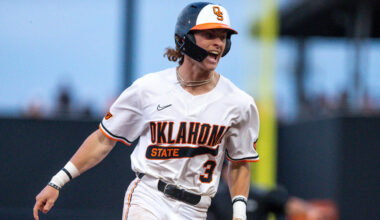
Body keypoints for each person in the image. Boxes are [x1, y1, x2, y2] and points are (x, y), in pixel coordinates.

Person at [33, 2, 260, 220]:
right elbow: (103, 139)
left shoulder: (239, 102)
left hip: (197, 209)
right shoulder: (149, 88)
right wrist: (57, 181)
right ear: (185, 38)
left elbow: (240, 163)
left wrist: (239, 214)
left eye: (223, 37)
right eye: (209, 35)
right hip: (150, 196)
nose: (218, 43)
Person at [208, 162, 339, 220]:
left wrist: (310, 210)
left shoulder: (260, 194)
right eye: (231, 169)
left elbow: (287, 204)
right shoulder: (215, 196)